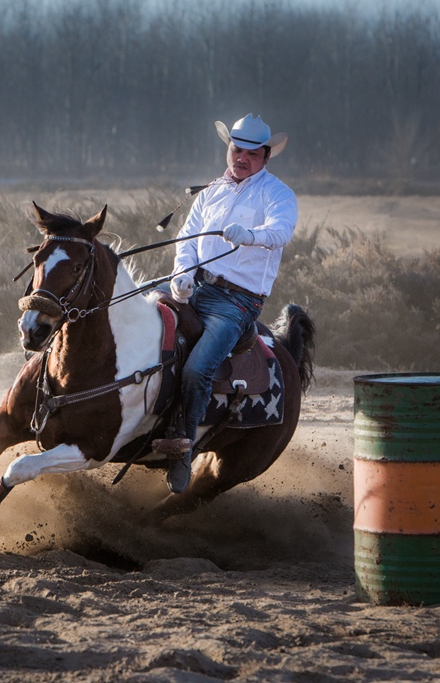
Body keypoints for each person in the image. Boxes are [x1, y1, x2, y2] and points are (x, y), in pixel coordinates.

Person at [158, 113, 298, 494]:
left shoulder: (278, 194)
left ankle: (183, 450)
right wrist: (181, 274)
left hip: (237, 302)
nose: (242, 158)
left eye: (252, 153)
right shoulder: (211, 192)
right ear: (228, 149)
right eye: (237, 149)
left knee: (197, 369)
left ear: (266, 158)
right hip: (197, 288)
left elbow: (281, 230)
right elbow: (187, 239)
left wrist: (249, 235)